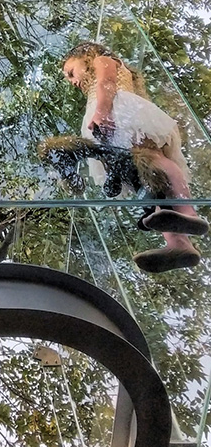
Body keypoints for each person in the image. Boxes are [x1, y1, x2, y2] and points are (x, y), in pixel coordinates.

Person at [61, 41, 208, 273]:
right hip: (113, 121)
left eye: (71, 72)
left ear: (86, 56)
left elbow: (106, 83)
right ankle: (178, 244)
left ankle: (188, 212)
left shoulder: (103, 61)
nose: (71, 80)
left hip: (122, 114)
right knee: (147, 182)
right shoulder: (96, 82)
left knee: (152, 157)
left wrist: (101, 113)